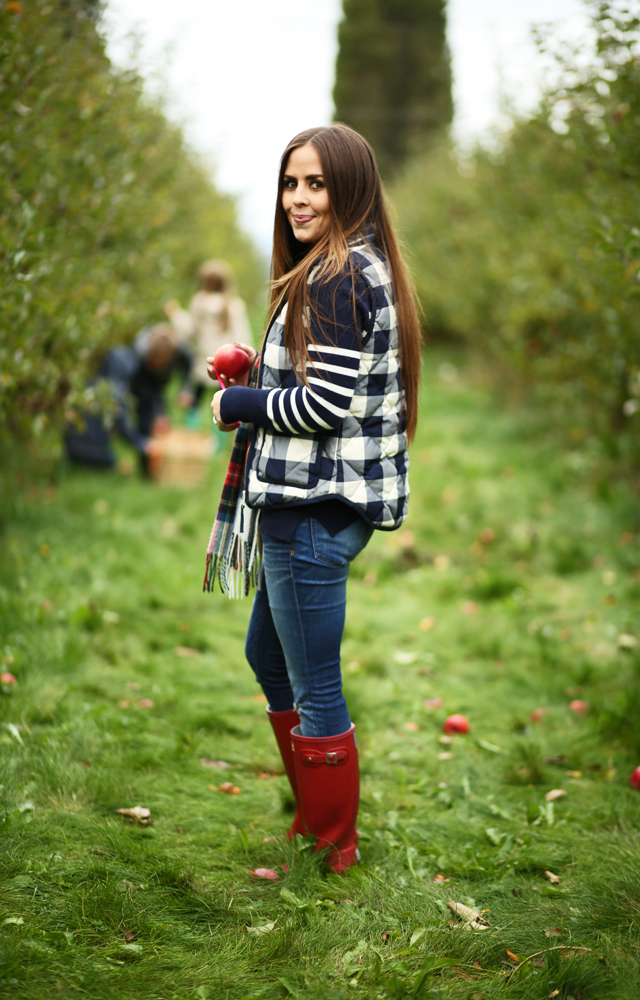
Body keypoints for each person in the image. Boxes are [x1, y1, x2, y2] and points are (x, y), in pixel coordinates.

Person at [208, 124, 422, 873]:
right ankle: (315, 822)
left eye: (316, 184)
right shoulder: (356, 266)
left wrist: (241, 403)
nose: (298, 199)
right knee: (265, 652)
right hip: (318, 505)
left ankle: (332, 846)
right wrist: (256, 369)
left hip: (310, 509)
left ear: (350, 188)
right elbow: (328, 380)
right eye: (291, 183)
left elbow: (322, 407)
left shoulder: (334, 275)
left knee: (314, 683)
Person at [64, 323, 192, 473]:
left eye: (161, 364)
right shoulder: (136, 357)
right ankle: (145, 453)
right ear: (149, 356)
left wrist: (163, 410)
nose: (156, 366)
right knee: (144, 419)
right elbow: (133, 401)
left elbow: (160, 386)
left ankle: (148, 468)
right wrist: (142, 443)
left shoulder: (180, 350)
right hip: (139, 382)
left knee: (152, 420)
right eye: (154, 363)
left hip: (152, 381)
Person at [165, 260, 252, 413]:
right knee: (225, 406)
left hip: (203, 363)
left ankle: (192, 435)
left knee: (194, 403)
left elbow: (191, 330)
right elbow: (242, 337)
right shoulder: (235, 305)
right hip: (227, 363)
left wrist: (175, 314)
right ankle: (218, 437)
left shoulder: (199, 302)